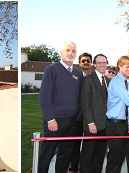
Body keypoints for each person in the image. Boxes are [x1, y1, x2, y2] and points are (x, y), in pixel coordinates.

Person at [38, 41, 83, 173]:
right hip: (55, 121)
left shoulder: (77, 73)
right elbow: (44, 97)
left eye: (73, 51)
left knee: (66, 154)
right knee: (47, 154)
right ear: (61, 52)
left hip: (72, 121)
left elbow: (79, 97)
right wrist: (50, 119)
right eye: (68, 50)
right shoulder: (52, 69)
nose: (70, 53)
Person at [78, 54, 109, 173]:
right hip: (92, 125)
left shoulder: (108, 80)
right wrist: (90, 123)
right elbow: (85, 104)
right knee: (87, 155)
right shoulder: (87, 80)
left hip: (105, 125)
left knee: (100, 155)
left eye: (104, 62)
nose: (102, 65)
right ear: (94, 65)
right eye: (99, 63)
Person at [68, 52, 92, 173]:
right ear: (79, 63)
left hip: (91, 117)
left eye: (88, 60)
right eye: (83, 61)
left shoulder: (96, 77)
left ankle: (86, 168)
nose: (86, 62)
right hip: (76, 116)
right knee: (75, 143)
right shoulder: (74, 76)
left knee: (89, 144)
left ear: (91, 63)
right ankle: (74, 167)